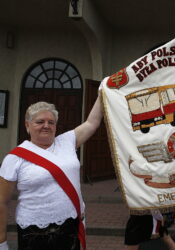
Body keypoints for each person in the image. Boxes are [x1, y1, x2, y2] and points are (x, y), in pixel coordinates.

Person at [0, 94, 103, 250]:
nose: (46, 126)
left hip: (70, 225)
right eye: (40, 122)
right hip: (34, 232)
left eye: (51, 122)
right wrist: (2, 241)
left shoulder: (66, 141)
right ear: (27, 125)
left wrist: (102, 93)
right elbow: (1, 201)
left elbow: (92, 122)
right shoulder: (14, 158)